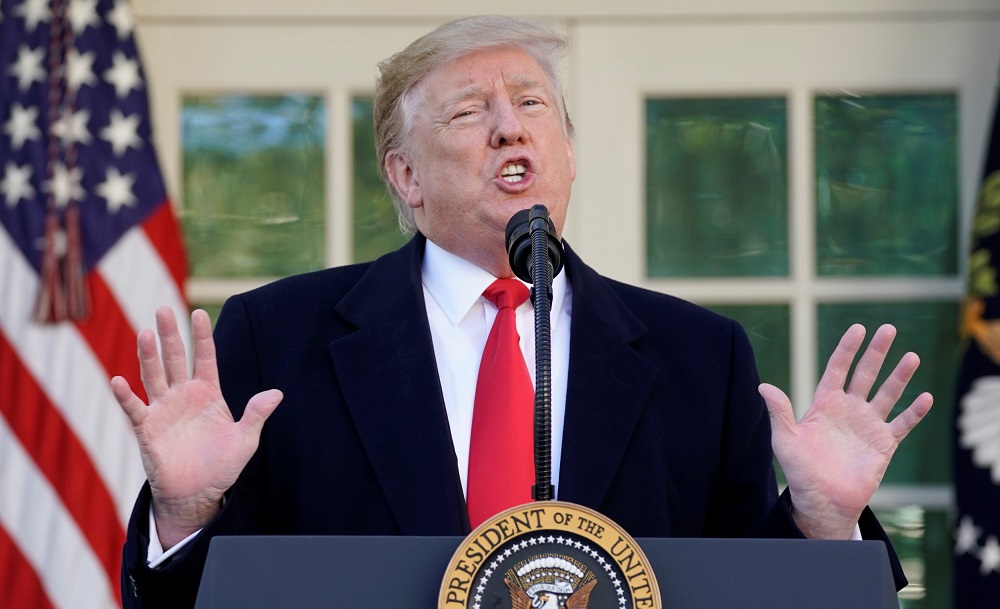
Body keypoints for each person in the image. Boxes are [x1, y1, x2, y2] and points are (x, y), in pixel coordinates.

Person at [111, 15, 933, 609]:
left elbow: (749, 593)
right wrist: (186, 514)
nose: (510, 127)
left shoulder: (699, 355)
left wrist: (823, 524)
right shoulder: (277, 336)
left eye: (533, 105)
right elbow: (212, 599)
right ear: (405, 176)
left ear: (567, 155)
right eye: (471, 111)